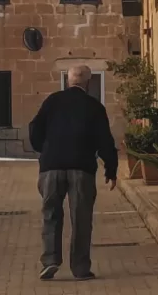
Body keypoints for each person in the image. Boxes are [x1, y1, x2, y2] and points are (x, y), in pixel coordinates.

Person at [28, 65, 118, 281]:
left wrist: (45, 149)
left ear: (68, 81)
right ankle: (80, 268)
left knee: (50, 214)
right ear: (87, 82)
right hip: (81, 168)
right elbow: (105, 140)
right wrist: (111, 169)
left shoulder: (52, 101)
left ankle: (50, 261)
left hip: (51, 167)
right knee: (81, 218)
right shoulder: (94, 107)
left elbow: (35, 128)